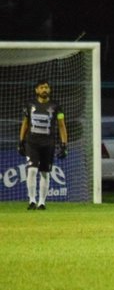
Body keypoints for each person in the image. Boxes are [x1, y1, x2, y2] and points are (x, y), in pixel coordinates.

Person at [19, 79, 68, 210]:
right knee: (32, 170)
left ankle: (42, 202)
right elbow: (25, 123)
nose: (44, 90)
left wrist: (64, 144)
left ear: (49, 90)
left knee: (45, 173)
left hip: (48, 143)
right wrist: (21, 141)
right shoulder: (29, 105)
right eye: (41, 87)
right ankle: (32, 200)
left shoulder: (56, 106)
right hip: (32, 143)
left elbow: (61, 125)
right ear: (36, 90)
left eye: (46, 87)